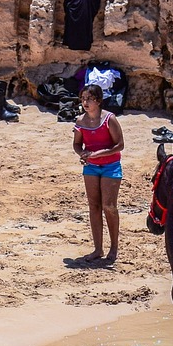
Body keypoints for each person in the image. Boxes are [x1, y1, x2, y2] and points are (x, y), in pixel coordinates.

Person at [71, 84, 125, 264]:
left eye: (89, 99)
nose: (85, 102)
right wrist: (83, 154)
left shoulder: (109, 119)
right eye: (83, 98)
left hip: (111, 166)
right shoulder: (80, 122)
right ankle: (98, 249)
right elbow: (77, 144)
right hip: (91, 167)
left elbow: (119, 145)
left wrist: (97, 154)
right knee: (94, 207)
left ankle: (114, 248)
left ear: (99, 101)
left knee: (109, 205)